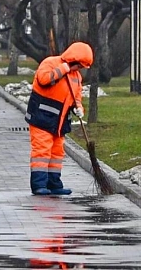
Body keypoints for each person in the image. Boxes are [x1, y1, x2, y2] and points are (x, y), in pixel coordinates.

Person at [25, 41, 93, 196]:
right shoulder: (50, 63)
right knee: (42, 152)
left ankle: (54, 184)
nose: (80, 69)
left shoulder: (76, 76)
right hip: (41, 118)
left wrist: (78, 108)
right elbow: (44, 79)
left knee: (56, 154)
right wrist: (65, 69)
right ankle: (38, 185)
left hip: (59, 122)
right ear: (73, 60)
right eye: (80, 65)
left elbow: (76, 96)